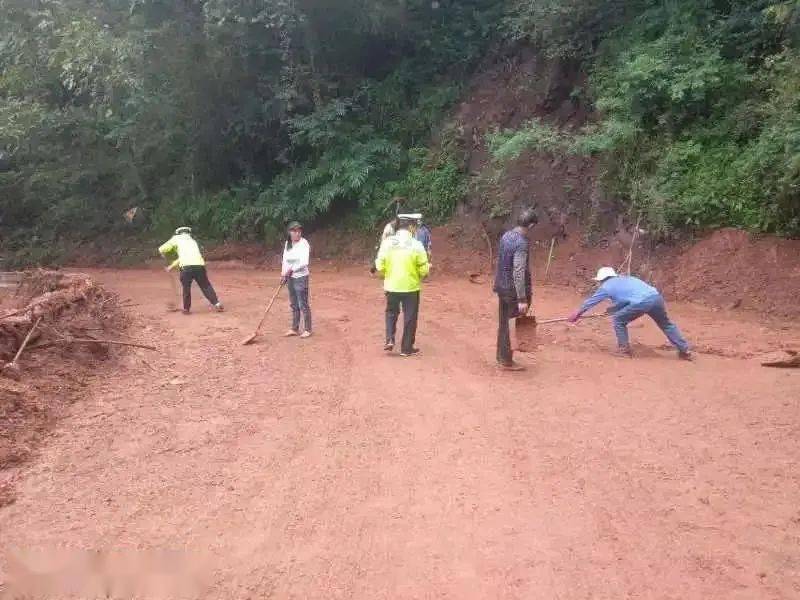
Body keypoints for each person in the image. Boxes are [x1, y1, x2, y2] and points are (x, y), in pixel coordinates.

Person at [567, 267, 692, 360]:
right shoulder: (628, 278)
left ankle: (624, 350)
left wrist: (577, 313)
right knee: (666, 324)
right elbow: (628, 299)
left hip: (642, 302)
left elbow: (592, 301)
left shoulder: (606, 286)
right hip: (656, 297)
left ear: (602, 279)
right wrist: (611, 310)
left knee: (618, 321)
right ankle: (684, 350)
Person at [375, 214, 430, 356]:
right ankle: (406, 348)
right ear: (411, 227)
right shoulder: (416, 244)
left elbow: (379, 266)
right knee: (410, 316)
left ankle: (389, 339)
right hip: (411, 287)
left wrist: (388, 274)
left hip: (391, 285)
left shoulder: (387, 243)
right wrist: (420, 274)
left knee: (391, 312)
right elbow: (424, 269)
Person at [493, 207, 538, 371]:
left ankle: (502, 356)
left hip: (502, 286)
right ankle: (506, 360)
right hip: (512, 290)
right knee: (511, 323)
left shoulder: (506, 236)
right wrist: (522, 298)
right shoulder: (521, 243)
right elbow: (518, 271)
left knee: (504, 322)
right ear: (531, 225)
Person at [158, 226, 223, 314]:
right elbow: (185, 257)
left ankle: (186, 309)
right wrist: (171, 266)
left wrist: (163, 254)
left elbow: (162, 248)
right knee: (205, 285)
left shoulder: (176, 238)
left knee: (186, 287)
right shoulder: (193, 241)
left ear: (178, 233)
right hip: (199, 266)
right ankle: (217, 304)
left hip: (186, 268)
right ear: (188, 233)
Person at [281, 221, 312, 339]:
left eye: (299, 231)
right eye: (294, 231)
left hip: (301, 277)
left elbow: (304, 261)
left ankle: (308, 329)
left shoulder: (304, 243)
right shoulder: (288, 244)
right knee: (294, 304)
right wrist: (283, 274)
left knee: (303, 303)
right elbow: (285, 260)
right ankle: (294, 328)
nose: (297, 233)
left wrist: (291, 269)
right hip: (290, 278)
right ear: (289, 232)